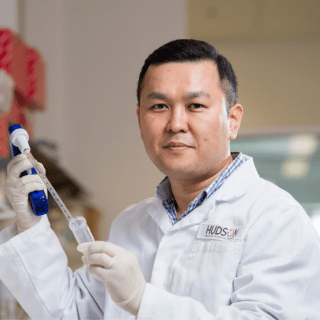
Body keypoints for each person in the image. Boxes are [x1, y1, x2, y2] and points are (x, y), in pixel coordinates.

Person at [1, 39, 320, 320]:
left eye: (195, 105)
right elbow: (71, 312)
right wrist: (31, 226)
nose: (175, 123)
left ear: (232, 120)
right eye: (159, 106)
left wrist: (143, 300)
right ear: (140, 120)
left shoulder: (277, 219)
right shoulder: (132, 224)